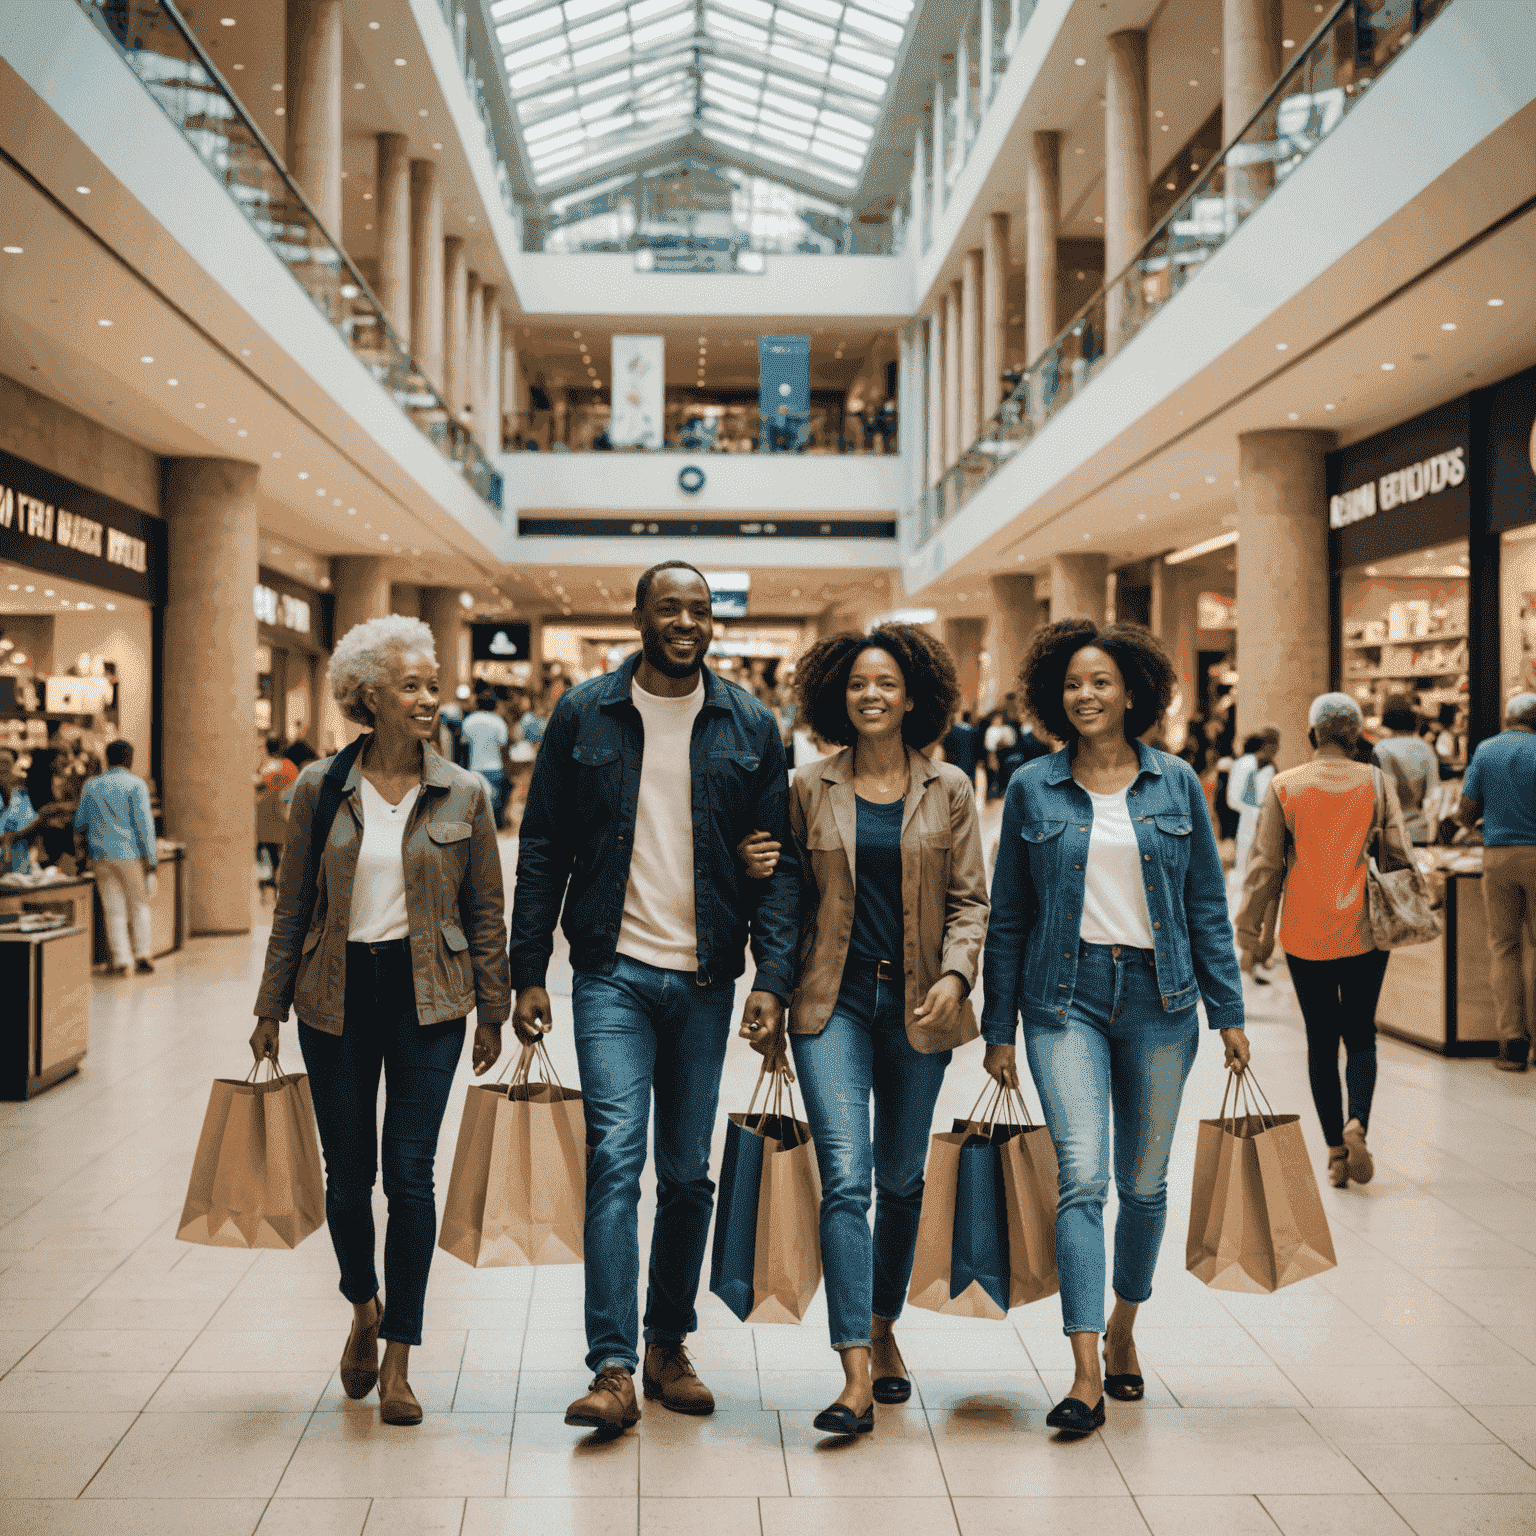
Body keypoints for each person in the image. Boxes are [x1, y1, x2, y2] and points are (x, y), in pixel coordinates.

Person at [507, 560, 799, 1435]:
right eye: (668, 606)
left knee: (686, 1174)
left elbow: (777, 863)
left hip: (708, 977)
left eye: (699, 609)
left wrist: (775, 979)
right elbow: (543, 844)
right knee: (615, 1158)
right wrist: (529, 967)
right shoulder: (584, 713)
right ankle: (614, 1365)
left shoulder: (750, 723)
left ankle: (669, 1340)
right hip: (611, 971)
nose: (685, 620)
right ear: (637, 615)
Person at [981, 620, 1248, 1435]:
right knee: (1083, 1178)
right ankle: (1085, 1366)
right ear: (1051, 698)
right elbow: (1010, 917)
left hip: (1163, 1002)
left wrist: (1230, 1011)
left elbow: (1206, 903)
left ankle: (1127, 1327)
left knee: (1144, 1185)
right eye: (1071, 684)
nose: (1086, 695)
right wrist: (998, 1028)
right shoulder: (1033, 786)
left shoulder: (1178, 785)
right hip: (1065, 1000)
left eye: (1100, 682)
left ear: (1133, 690)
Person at [251, 616, 511, 1426]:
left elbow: (487, 909)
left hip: (429, 997)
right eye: (412, 687)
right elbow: (293, 905)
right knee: (348, 1179)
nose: (430, 699)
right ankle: (362, 1302)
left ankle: (400, 1355)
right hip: (333, 995)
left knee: (410, 1176)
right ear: (370, 695)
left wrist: (495, 1009)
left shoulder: (464, 792)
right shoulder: (319, 787)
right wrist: (268, 1005)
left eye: (432, 685)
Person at [737, 626, 987, 1437]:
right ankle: (852, 1368)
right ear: (833, 700)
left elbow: (970, 900)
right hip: (829, 1005)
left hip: (920, 1007)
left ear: (914, 696)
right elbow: (785, 901)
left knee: (902, 1180)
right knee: (844, 1179)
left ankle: (884, 1326)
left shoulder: (947, 787)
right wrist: (770, 983)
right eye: (854, 686)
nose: (870, 695)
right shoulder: (808, 786)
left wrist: (957, 975)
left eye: (885, 684)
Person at [1237, 694, 1412, 1182]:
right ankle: (1359, 1122)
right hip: (1365, 926)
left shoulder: (1285, 786)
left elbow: (1265, 866)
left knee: (1321, 1039)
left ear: (1313, 736)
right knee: (1361, 1033)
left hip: (1305, 928)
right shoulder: (1378, 782)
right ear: (1356, 738)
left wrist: (1250, 929)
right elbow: (1398, 852)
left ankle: (1335, 1151)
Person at [1457, 692, 1536, 1071]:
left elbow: (1465, 811)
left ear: (1508, 717)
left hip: (1498, 856)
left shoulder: (1486, 751)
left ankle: (1513, 1043)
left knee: (1505, 947)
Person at [74, 740, 158, 976]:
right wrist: (151, 858)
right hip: (129, 854)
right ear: (129, 759)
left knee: (114, 910)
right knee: (139, 906)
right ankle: (143, 953)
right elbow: (144, 824)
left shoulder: (91, 786)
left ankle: (122, 959)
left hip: (100, 856)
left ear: (107, 758)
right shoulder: (135, 784)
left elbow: (80, 822)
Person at [1372, 698, 1440, 845]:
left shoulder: (1380, 749)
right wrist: (1431, 829)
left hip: (1390, 832)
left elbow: (1379, 794)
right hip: (1420, 829)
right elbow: (1434, 792)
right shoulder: (1425, 748)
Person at [1226, 728, 1280, 880]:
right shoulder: (1255, 764)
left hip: (1248, 813)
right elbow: (1247, 796)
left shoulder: (1256, 763)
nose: (1277, 749)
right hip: (1250, 812)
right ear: (1267, 744)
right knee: (1246, 852)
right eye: (1275, 744)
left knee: (1245, 852)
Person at [461, 689, 513, 829]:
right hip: (495, 769)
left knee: (477, 802)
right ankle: (497, 824)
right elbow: (504, 748)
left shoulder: (468, 721)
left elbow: (464, 748)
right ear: (494, 704)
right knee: (498, 801)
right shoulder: (498, 722)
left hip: (474, 769)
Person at [256, 736, 297, 894]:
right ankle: (277, 884)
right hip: (281, 820)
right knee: (278, 855)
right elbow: (289, 794)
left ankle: (267, 886)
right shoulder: (290, 768)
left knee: (263, 853)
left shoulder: (265, 768)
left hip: (262, 819)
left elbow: (258, 789)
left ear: (267, 748)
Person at [0, 749, 37, 874]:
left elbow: (30, 825)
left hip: (19, 865)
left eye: (6, 763)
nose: (2, 767)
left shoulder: (20, 794)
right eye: (0, 762)